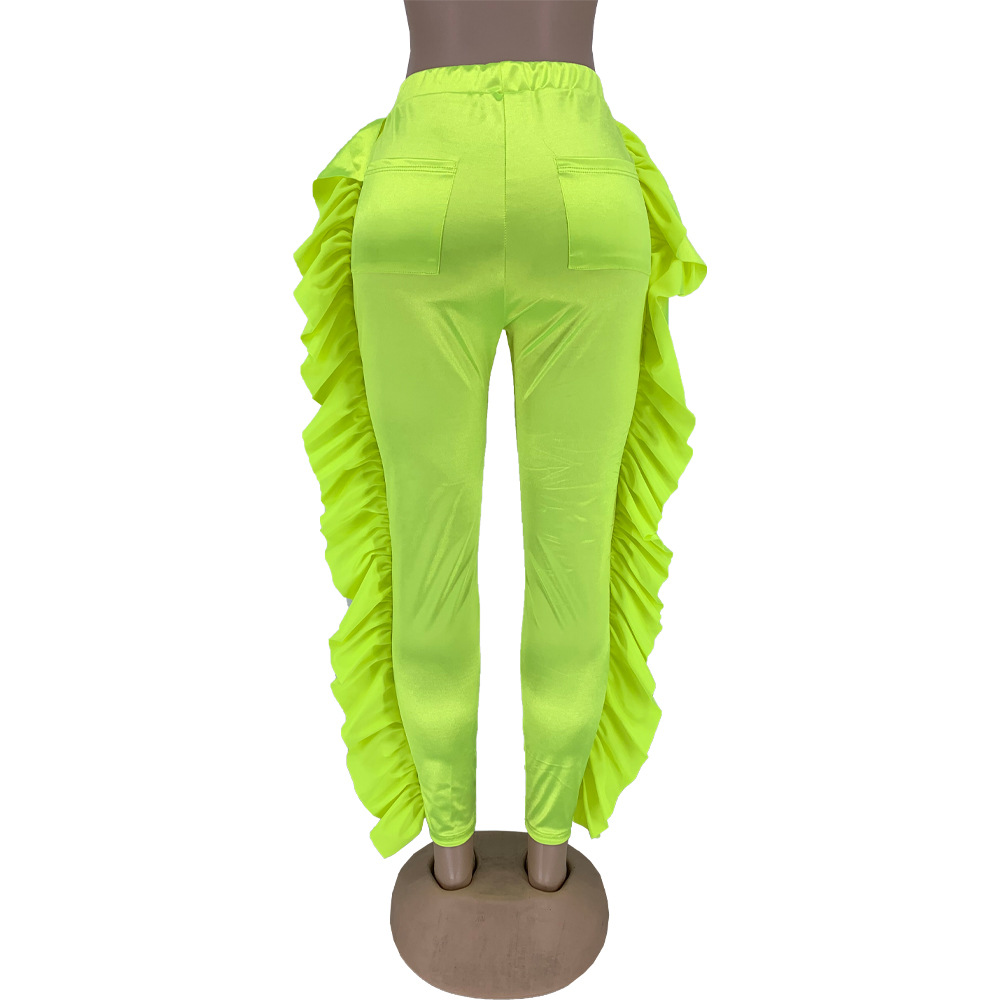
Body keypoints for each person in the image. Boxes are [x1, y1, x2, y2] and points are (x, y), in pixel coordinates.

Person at [293, 0, 706, 893]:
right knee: (576, 548)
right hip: (581, 180)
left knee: (425, 550)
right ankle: (550, 864)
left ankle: (450, 862)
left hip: (423, 181)